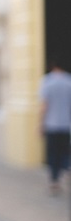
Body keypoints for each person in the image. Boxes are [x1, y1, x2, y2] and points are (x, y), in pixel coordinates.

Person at [39, 58, 71, 196]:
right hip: (66, 124)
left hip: (51, 124)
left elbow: (44, 105)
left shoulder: (47, 81)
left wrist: (40, 124)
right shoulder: (69, 81)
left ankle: (54, 182)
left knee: (53, 153)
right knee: (65, 151)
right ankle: (67, 170)